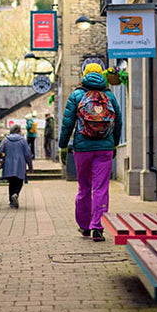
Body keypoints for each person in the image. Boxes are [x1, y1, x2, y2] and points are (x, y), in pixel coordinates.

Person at [58, 63, 122, 242]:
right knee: (101, 188)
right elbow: (119, 122)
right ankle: (98, 227)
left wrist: (63, 146)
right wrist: (114, 144)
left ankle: (84, 226)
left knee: (84, 188)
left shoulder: (77, 95)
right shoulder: (109, 95)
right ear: (101, 74)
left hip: (82, 148)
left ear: (84, 74)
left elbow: (67, 123)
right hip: (105, 148)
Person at [0, 124, 33, 208]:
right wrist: (30, 167)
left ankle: (11, 202)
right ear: (18, 131)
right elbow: (28, 154)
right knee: (19, 182)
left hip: (8, 164)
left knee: (11, 183)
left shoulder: (6, 139)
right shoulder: (22, 140)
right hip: (20, 165)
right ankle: (16, 194)